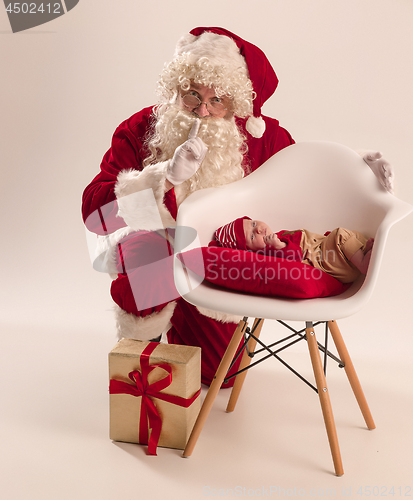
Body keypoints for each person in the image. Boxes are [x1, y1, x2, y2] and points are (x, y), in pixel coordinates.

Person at [82, 27, 393, 387]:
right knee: (149, 249)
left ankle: (189, 331)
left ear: (238, 101)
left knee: (219, 376)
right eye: (192, 95)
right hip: (154, 255)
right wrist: (161, 176)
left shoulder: (265, 137)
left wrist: (357, 170)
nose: (202, 110)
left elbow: (307, 177)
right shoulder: (141, 128)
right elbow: (95, 213)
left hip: (221, 266)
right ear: (177, 88)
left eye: (218, 100)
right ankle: (144, 346)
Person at [214, 216, 374, 284]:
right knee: (340, 234)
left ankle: (360, 253)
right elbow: (294, 259)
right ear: (249, 251)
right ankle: (361, 263)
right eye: (251, 237)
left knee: (353, 235)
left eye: (254, 224)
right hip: (325, 263)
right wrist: (279, 246)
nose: (258, 230)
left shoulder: (277, 236)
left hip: (331, 256)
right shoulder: (268, 252)